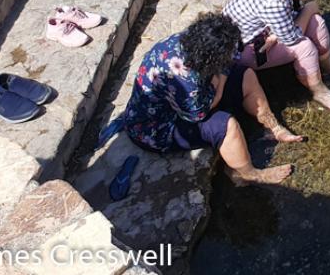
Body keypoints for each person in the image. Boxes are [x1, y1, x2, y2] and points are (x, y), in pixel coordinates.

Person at [123, 12, 302, 186]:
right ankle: (248, 174)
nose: (235, 54)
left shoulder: (184, 41)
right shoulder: (186, 77)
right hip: (154, 128)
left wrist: (221, 73)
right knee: (226, 125)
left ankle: (274, 128)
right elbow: (197, 115)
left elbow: (228, 64)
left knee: (246, 75)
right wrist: (222, 79)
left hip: (182, 101)